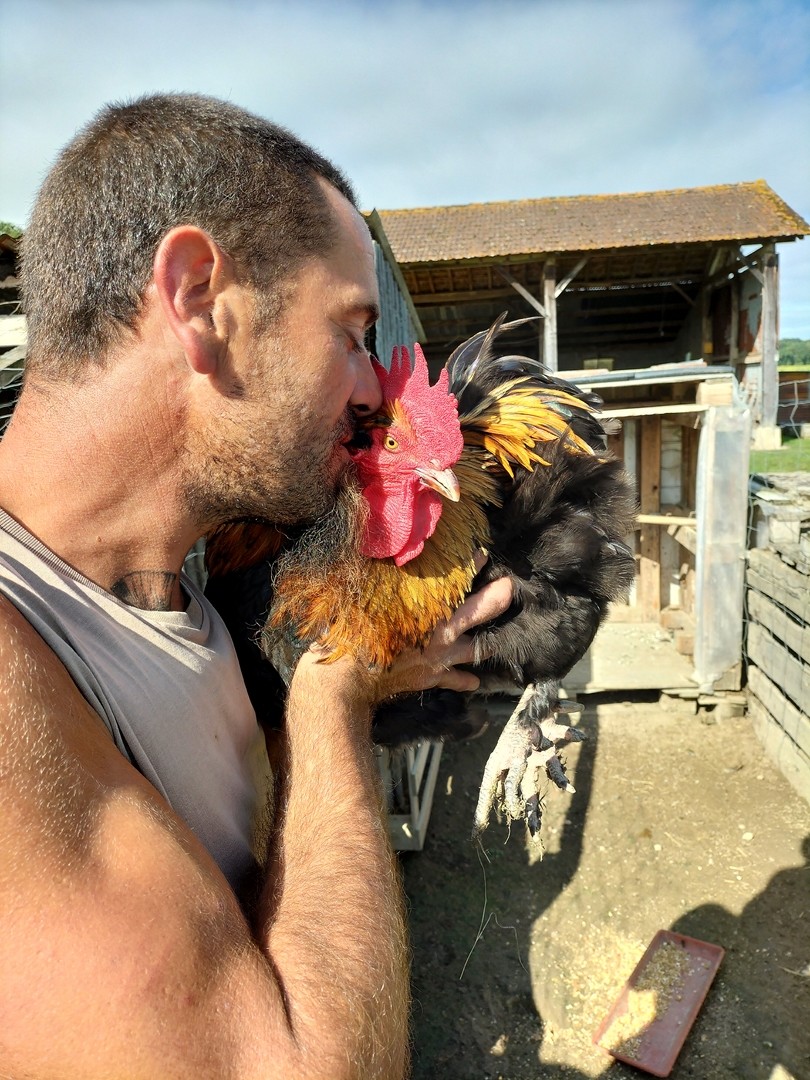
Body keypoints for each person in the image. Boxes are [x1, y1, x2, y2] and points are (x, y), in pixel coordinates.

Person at [0, 93, 512, 1079]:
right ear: (199, 301)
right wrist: (332, 698)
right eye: (352, 331)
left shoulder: (177, 587)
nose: (373, 387)